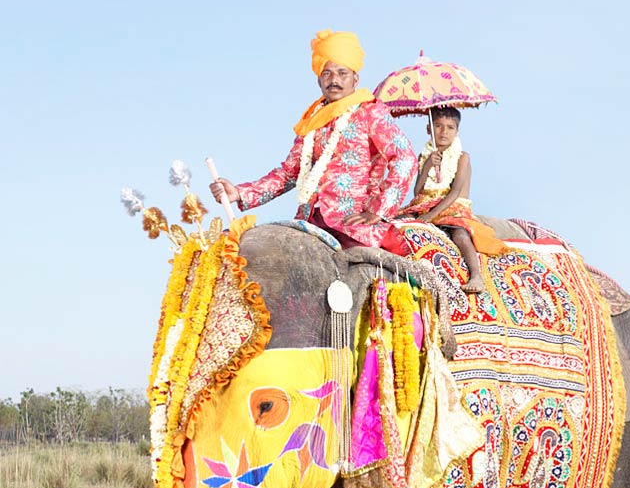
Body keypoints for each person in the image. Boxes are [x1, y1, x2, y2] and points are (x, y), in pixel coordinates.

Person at [209, 30, 417, 255]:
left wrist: (377, 209)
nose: (334, 80)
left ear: (355, 78)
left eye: (342, 73)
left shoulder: (370, 112)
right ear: (318, 78)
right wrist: (239, 193)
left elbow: (405, 159)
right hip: (310, 223)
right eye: (327, 73)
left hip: (353, 225)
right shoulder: (311, 122)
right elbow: (289, 173)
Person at [400, 107, 506, 292]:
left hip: (454, 207)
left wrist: (432, 215)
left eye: (450, 127)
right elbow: (418, 191)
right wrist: (427, 166)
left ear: (457, 131)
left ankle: (476, 276)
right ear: (428, 129)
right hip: (426, 203)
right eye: (438, 126)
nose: (443, 132)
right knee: (399, 222)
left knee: (460, 235)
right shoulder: (425, 156)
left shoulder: (462, 158)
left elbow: (455, 191)